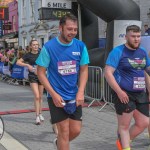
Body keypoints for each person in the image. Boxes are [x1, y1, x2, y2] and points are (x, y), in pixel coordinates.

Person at [36, 14, 89, 150]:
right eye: (69, 29)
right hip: (56, 96)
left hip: (74, 95)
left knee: (76, 130)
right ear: (61, 28)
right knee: (64, 132)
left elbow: (84, 70)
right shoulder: (49, 47)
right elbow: (40, 72)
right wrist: (53, 94)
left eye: (75, 29)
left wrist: (81, 92)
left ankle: (58, 143)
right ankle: (62, 142)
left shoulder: (80, 46)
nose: (72, 32)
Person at [104, 25, 150, 150]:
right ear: (126, 37)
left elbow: (146, 71)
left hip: (140, 93)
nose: (136, 39)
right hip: (124, 94)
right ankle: (125, 146)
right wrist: (119, 92)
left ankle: (122, 142)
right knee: (124, 126)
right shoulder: (118, 51)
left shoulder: (142, 52)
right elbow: (108, 73)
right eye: (133, 36)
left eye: (138, 36)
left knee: (144, 122)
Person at [16, 40, 44, 125]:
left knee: (40, 97)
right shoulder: (28, 55)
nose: (36, 46)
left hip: (41, 76)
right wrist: (27, 65)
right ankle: (37, 116)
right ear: (31, 46)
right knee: (37, 96)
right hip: (32, 77)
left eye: (37, 44)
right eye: (34, 45)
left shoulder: (42, 53)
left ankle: (40, 113)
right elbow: (18, 62)